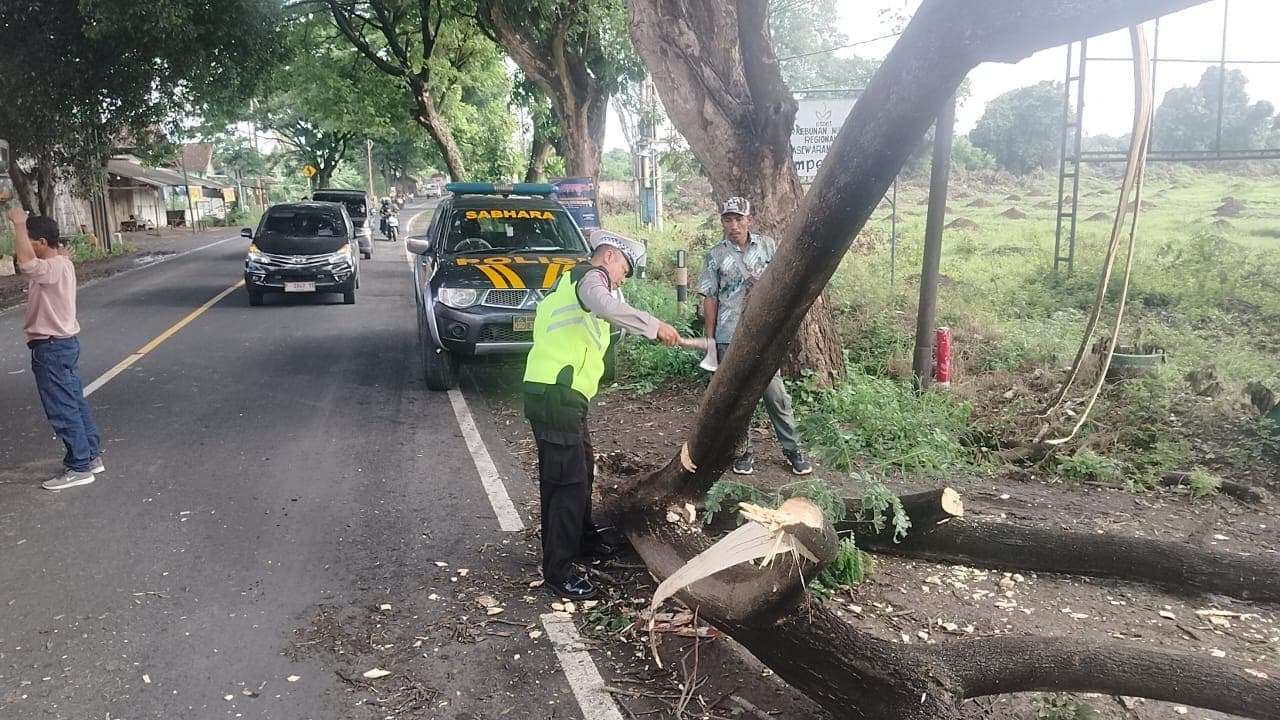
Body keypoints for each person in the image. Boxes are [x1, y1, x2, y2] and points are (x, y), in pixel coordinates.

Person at [523, 229, 681, 600]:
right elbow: (605, 304)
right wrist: (653, 325)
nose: (624, 277)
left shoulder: (579, 284)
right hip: (555, 393)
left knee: (581, 470)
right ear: (609, 256)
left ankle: (583, 540)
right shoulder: (589, 278)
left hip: (566, 396)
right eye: (625, 268)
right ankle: (558, 571)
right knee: (565, 482)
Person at [698, 196, 812, 477]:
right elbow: (710, 298)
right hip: (729, 334)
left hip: (764, 333)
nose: (734, 226)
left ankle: (793, 449)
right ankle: (743, 451)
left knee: (775, 394)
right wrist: (710, 339)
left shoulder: (768, 246)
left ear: (749, 219)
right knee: (735, 397)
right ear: (722, 223)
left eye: (739, 219)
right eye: (728, 220)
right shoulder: (715, 255)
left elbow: (784, 283)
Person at [6, 207, 103, 490]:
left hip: (50, 348)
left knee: (62, 408)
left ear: (42, 242)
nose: (25, 247)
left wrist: (19, 224)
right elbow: (37, 260)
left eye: (30, 242)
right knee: (74, 402)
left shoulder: (49, 268)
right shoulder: (60, 264)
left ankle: (80, 467)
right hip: (63, 345)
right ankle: (90, 456)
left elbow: (25, 263)